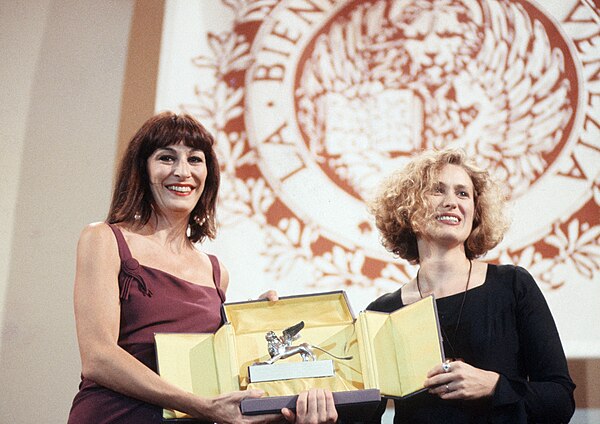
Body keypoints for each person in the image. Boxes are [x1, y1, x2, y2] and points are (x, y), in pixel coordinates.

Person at [67, 111, 338, 424]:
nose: (183, 172)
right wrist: (198, 405)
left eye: (195, 159)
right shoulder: (104, 238)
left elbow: (217, 373)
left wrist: (256, 324)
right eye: (166, 158)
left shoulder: (215, 271)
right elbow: (98, 358)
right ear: (142, 169)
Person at [364, 148, 575, 423]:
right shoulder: (382, 312)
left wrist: (494, 386)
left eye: (463, 193)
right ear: (408, 207)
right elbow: (362, 415)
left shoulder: (512, 286)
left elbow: (559, 400)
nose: (452, 202)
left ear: (476, 213)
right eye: (437, 190)